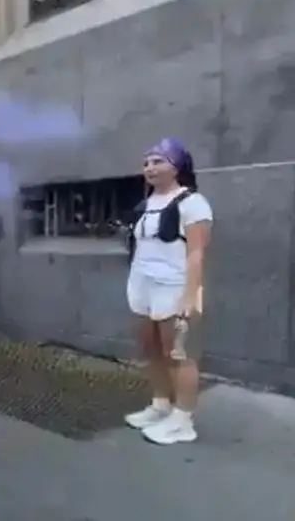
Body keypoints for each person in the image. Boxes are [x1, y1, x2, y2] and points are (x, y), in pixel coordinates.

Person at [123, 139, 212, 445]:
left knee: (179, 354)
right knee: (151, 350)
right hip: (142, 285)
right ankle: (161, 404)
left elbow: (197, 253)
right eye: (147, 162)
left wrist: (191, 295)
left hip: (174, 287)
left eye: (158, 161)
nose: (150, 167)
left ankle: (183, 420)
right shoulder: (145, 205)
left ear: (177, 166)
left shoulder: (193, 203)